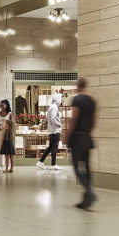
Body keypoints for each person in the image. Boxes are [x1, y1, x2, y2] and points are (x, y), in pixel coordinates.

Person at [64, 78, 97, 210]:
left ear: (78, 85)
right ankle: (86, 199)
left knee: (77, 168)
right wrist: (87, 132)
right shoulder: (92, 101)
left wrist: (67, 135)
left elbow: (74, 119)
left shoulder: (77, 100)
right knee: (87, 167)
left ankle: (89, 192)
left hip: (77, 137)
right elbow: (94, 121)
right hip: (86, 137)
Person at [36, 93, 63, 171]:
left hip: (52, 130)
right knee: (54, 148)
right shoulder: (54, 107)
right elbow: (53, 118)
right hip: (55, 131)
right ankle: (53, 164)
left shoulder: (51, 107)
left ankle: (41, 161)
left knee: (51, 147)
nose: (61, 100)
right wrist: (60, 124)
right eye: (60, 98)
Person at [0, 100, 13, 169]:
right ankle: (0, 164)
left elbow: (11, 125)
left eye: (2, 105)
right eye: (0, 105)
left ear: (6, 105)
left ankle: (7, 165)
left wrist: (8, 131)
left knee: (7, 148)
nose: (1, 106)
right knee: (0, 147)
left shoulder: (10, 114)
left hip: (7, 133)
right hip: (0, 132)